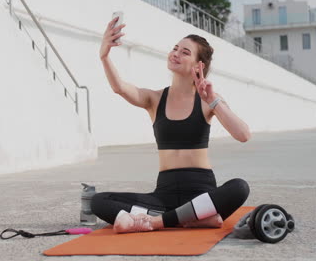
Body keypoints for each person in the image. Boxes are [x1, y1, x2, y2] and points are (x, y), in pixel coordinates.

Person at [91, 16, 251, 233]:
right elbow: (120, 88)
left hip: (201, 193)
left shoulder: (209, 100)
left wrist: (213, 101)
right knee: (99, 200)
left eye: (185, 52)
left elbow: (243, 134)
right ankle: (190, 218)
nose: (175, 53)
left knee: (239, 188)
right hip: (163, 195)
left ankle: (155, 222)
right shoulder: (155, 99)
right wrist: (104, 55)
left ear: (198, 65)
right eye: (175, 48)